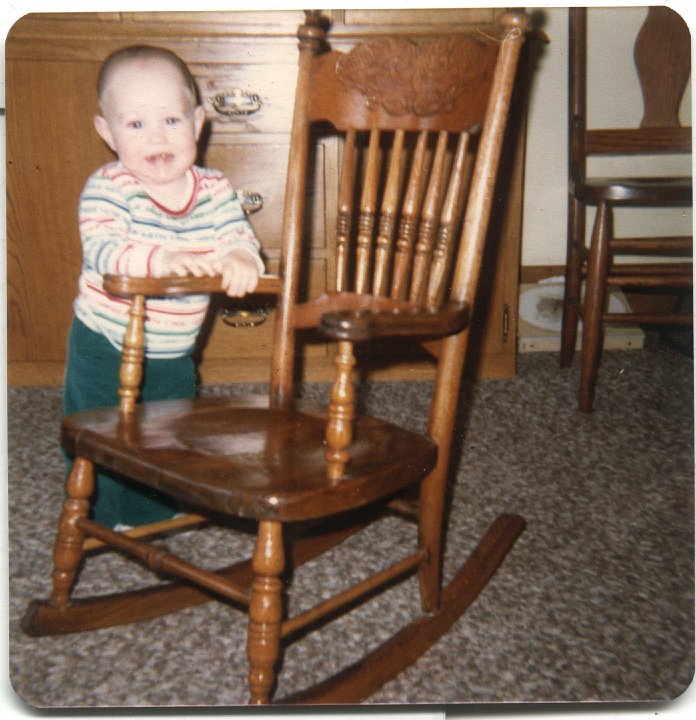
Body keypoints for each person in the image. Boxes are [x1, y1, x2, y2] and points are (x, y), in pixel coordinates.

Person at [63, 45, 264, 529]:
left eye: (171, 121)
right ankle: (105, 513)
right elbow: (104, 248)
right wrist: (162, 260)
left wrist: (240, 257)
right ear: (107, 132)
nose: (157, 137)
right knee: (103, 429)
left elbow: (238, 235)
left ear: (197, 124)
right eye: (135, 125)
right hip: (106, 341)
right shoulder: (109, 188)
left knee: (169, 430)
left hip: (174, 348)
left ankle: (157, 508)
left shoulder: (214, 189)